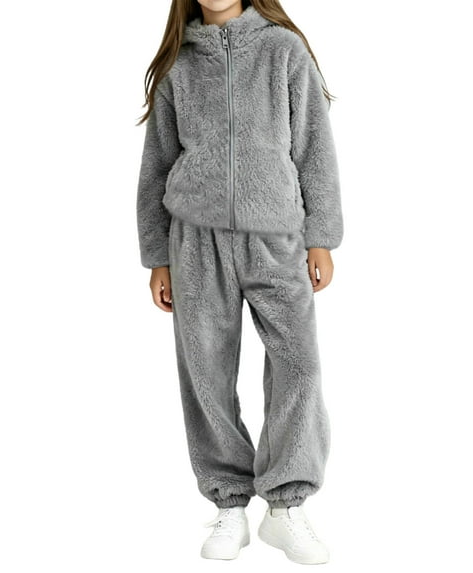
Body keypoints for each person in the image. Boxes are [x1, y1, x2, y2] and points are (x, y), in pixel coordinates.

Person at [136, 0, 343, 565]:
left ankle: (286, 505)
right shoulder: (179, 63)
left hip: (277, 237)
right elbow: (157, 163)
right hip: (195, 240)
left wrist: (321, 236)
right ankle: (229, 501)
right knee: (206, 372)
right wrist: (157, 255)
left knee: (299, 365)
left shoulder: (283, 51)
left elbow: (314, 146)